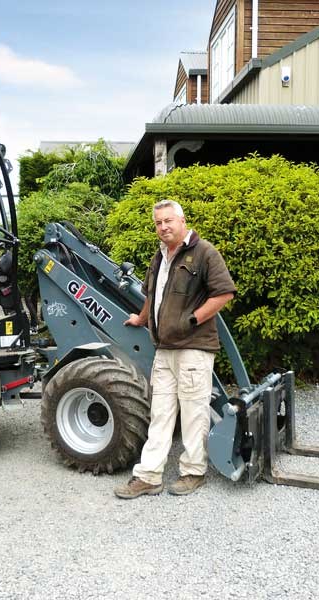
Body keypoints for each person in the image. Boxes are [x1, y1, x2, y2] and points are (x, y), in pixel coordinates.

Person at [114, 199, 236, 499]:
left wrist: (193, 319)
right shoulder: (160, 256)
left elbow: (224, 293)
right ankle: (149, 476)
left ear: (182, 221)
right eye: (158, 223)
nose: (164, 227)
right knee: (160, 413)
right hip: (164, 350)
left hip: (193, 349)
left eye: (169, 220)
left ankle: (193, 472)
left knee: (194, 412)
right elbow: (151, 295)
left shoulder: (203, 252)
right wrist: (141, 318)